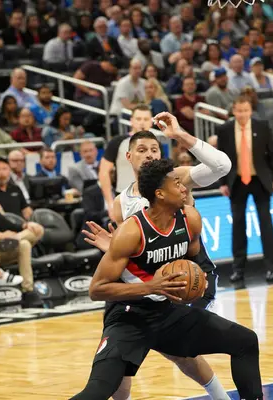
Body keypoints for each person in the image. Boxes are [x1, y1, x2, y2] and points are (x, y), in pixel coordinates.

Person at [71, 158, 263, 400]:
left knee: (245, 341)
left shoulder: (190, 219)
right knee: (98, 390)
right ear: (160, 194)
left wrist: (197, 283)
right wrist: (150, 284)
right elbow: (97, 289)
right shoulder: (131, 231)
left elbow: (194, 263)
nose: (184, 187)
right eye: (177, 183)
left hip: (168, 313)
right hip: (129, 317)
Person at [82, 113, 232, 400]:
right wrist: (111, 247)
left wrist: (180, 135)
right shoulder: (120, 203)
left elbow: (222, 165)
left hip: (187, 269)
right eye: (142, 150)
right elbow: (128, 253)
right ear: (128, 157)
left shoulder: (178, 177)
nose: (149, 154)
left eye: (154, 149)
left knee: (181, 350)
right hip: (146, 283)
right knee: (121, 364)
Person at [217, 95, 273, 284]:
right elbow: (220, 157)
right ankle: (238, 269)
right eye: (239, 110)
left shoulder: (262, 126)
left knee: (265, 224)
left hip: (260, 180)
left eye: (246, 110)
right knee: (238, 225)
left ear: (250, 110)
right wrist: (222, 182)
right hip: (236, 181)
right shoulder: (225, 129)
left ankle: (272, 269)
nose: (243, 114)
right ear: (233, 111)